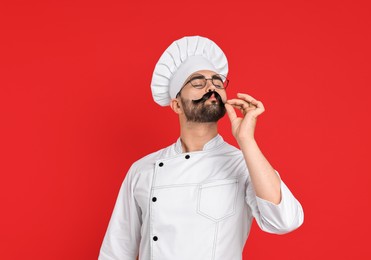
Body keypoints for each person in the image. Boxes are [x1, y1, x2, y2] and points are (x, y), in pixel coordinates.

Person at [99, 36, 304, 260]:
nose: (210, 87)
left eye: (217, 83)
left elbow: (285, 220)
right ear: (177, 105)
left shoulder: (242, 163)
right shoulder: (142, 170)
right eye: (197, 83)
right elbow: (116, 252)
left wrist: (246, 140)